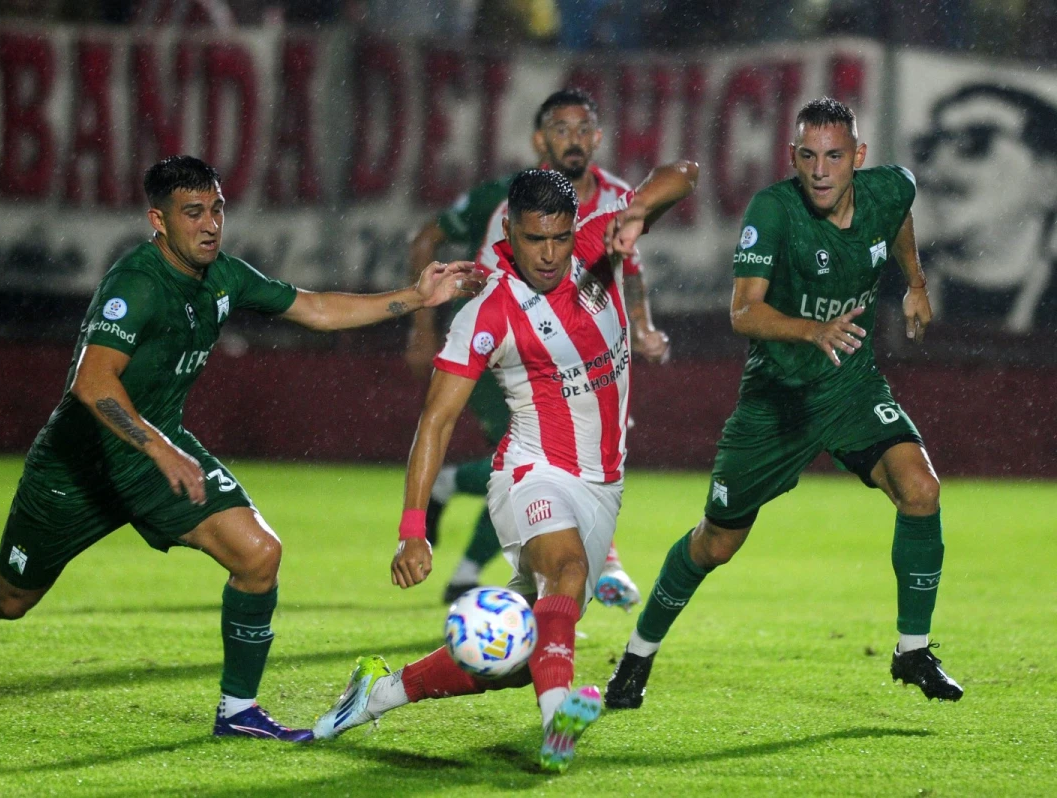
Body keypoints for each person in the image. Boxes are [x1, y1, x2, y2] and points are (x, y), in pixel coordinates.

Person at [0, 155, 483, 741]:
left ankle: (237, 712)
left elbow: (314, 307)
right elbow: (92, 381)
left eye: (217, 209)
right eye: (193, 213)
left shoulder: (224, 276)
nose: (210, 225)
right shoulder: (134, 284)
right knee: (10, 597)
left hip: (159, 454)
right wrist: (157, 447)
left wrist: (414, 297)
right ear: (158, 220)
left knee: (259, 555)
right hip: (77, 470)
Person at [314, 162, 698, 773]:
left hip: (603, 487)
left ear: (575, 228)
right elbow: (435, 422)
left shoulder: (599, 247)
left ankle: (375, 694)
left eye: (559, 237)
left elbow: (683, 174)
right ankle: (559, 726)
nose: (548, 254)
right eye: (532, 239)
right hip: (530, 472)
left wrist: (632, 215)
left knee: (517, 657)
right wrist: (413, 528)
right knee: (567, 571)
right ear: (508, 233)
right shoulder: (487, 312)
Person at [605, 98, 964, 713]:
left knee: (921, 490)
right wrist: (811, 331)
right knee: (714, 544)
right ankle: (637, 656)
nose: (821, 170)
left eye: (834, 156)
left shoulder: (888, 188)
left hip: (851, 387)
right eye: (808, 156)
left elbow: (899, 210)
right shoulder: (773, 211)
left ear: (859, 157)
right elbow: (743, 311)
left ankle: (913, 650)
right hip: (777, 401)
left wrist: (916, 284)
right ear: (792, 157)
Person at [406, 88, 671, 607]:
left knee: (564, 455)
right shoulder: (504, 203)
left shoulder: (616, 201)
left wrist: (641, 327)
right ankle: (577, 564)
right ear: (539, 139)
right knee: (536, 458)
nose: (572, 140)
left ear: (597, 136)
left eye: (582, 129)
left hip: (584, 349)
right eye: (560, 128)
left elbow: (632, 267)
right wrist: (424, 328)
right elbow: (464, 267)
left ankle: (470, 549)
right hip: (509, 352)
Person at [912, 83, 1057, 334]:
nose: (937, 163)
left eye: (976, 141)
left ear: (1048, 179)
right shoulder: (876, 286)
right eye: (928, 146)